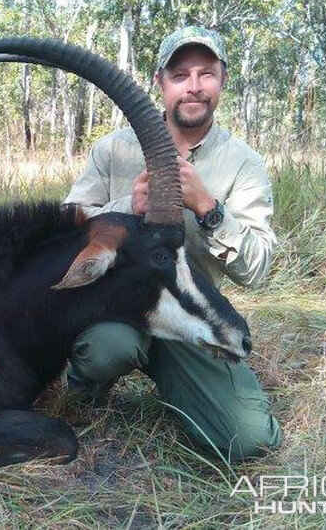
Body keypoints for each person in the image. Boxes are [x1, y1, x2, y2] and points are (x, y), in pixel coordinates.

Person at [63, 26, 282, 461]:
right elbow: (62, 229)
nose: (194, 86)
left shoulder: (243, 164)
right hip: (122, 309)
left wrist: (208, 207)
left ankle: (179, 381)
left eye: (207, 73)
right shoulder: (114, 150)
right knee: (106, 350)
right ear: (159, 81)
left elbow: (258, 269)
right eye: (181, 75)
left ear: (223, 79)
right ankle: (88, 383)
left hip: (189, 314)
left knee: (248, 439)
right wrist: (126, 207)